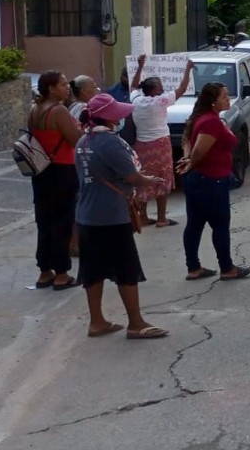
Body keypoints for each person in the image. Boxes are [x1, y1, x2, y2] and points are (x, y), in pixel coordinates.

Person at [75, 94, 169, 339]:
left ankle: (97, 321)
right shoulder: (110, 142)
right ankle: (136, 323)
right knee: (126, 269)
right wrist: (147, 180)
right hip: (111, 214)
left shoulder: (83, 140)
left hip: (87, 214)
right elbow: (130, 175)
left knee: (92, 270)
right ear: (108, 117)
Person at [176, 82, 250, 282]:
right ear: (213, 101)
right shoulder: (210, 122)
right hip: (211, 180)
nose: (228, 99)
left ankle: (193, 267)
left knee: (194, 224)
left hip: (201, 178)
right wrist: (192, 161)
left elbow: (187, 140)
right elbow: (200, 149)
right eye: (224, 96)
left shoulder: (203, 118)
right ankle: (227, 268)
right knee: (219, 225)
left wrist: (189, 160)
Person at [30, 71, 82, 290]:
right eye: (62, 84)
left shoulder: (34, 110)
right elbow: (75, 139)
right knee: (62, 220)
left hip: (40, 169)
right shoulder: (59, 110)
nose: (67, 87)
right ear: (51, 88)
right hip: (62, 169)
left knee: (44, 220)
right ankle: (62, 273)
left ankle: (45, 271)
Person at [130, 54, 193, 227]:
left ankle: (142, 215)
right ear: (155, 90)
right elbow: (181, 88)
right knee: (163, 179)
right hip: (161, 144)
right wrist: (187, 69)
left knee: (143, 179)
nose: (163, 89)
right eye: (160, 87)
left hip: (142, 145)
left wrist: (140, 66)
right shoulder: (161, 101)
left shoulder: (136, 100)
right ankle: (161, 218)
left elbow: (133, 85)